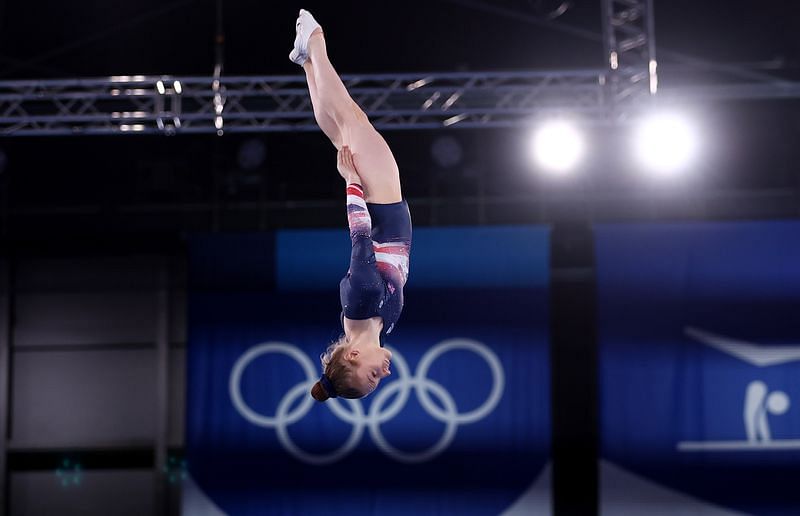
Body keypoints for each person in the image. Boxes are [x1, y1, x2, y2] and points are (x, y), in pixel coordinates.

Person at [288, 10, 412, 401]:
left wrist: (353, 183)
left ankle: (315, 39)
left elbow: (359, 236)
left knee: (348, 115)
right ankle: (306, 61)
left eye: (371, 378)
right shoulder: (375, 323)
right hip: (384, 206)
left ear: (353, 355)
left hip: (379, 202)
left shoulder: (361, 301)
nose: (383, 375)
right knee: (338, 126)